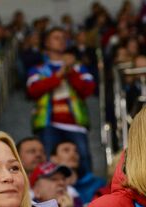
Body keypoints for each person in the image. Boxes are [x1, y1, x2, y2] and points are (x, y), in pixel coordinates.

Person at [26, 27, 95, 177]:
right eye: (56, 37)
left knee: (84, 165)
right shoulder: (38, 69)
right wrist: (58, 75)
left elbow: (87, 90)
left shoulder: (78, 67)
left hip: (75, 124)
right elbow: (33, 90)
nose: (61, 40)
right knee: (48, 168)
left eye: (64, 37)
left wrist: (70, 71)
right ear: (46, 42)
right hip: (48, 123)